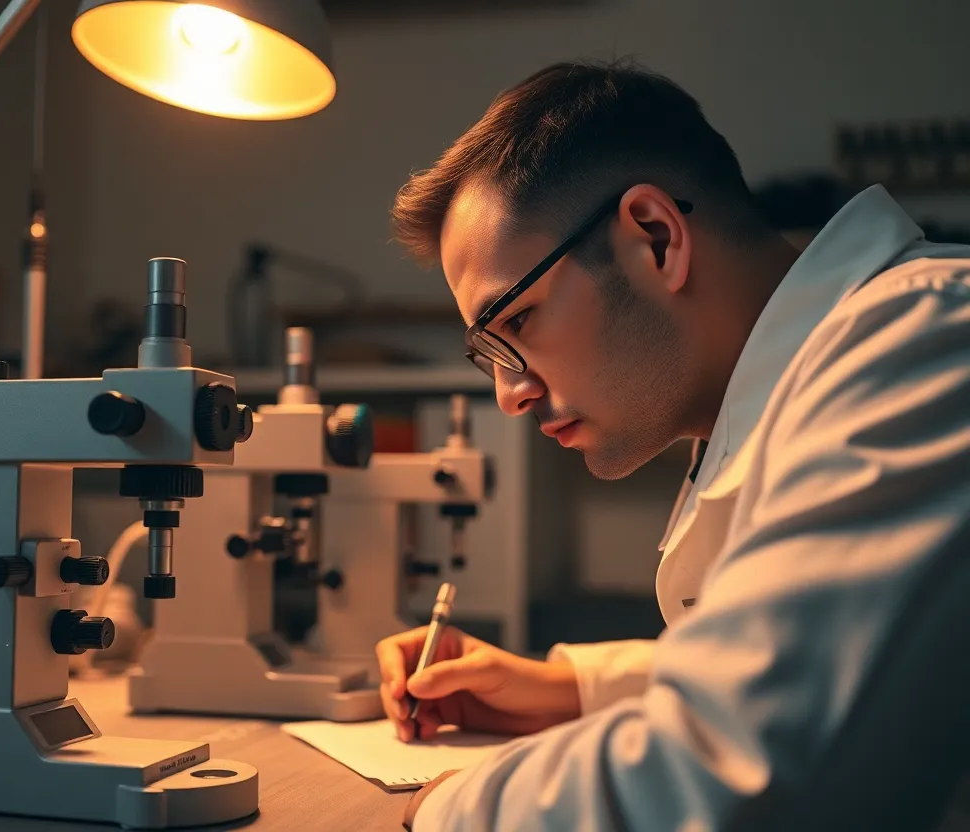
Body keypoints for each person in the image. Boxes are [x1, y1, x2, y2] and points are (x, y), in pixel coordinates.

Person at [378, 60, 970, 830]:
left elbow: (750, 769)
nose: (509, 393)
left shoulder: (921, 344)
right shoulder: (804, 384)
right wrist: (571, 688)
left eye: (516, 323)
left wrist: (450, 810)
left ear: (655, 239)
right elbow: (843, 665)